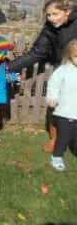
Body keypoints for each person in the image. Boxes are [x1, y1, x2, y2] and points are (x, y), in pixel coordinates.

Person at [9, 0, 77, 153]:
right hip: (63, 71)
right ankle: (55, 138)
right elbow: (37, 53)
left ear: (67, 11)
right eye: (48, 15)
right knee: (55, 105)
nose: (51, 18)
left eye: (55, 14)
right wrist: (8, 68)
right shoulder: (49, 29)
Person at [46, 40, 77, 171]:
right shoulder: (63, 70)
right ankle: (57, 156)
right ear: (70, 55)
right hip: (65, 111)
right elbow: (53, 84)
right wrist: (52, 97)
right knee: (64, 136)